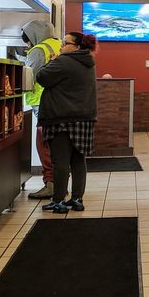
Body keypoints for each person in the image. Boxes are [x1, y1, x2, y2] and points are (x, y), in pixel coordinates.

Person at [35, 31, 97, 213]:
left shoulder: (63, 61)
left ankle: (59, 202)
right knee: (78, 159)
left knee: (60, 161)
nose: (61, 46)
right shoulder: (88, 63)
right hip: (84, 118)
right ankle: (77, 199)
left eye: (65, 43)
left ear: (76, 47)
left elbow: (41, 77)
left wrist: (52, 60)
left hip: (61, 118)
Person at [21, 20, 62, 199]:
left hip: (42, 102)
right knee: (57, 145)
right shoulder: (59, 44)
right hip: (59, 101)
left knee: (44, 143)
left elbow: (30, 77)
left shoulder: (39, 50)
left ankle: (50, 184)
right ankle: (60, 184)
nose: (27, 45)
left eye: (28, 41)